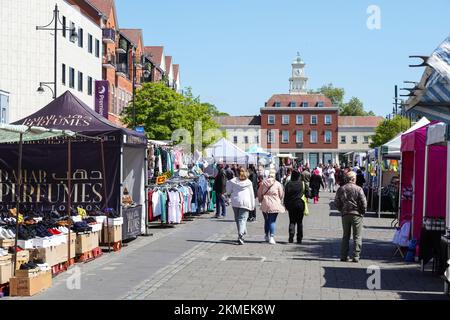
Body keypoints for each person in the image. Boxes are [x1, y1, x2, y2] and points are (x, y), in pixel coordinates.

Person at [334, 171, 367, 263]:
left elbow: (336, 202)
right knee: (357, 236)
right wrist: (362, 211)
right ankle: (356, 256)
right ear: (353, 179)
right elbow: (363, 202)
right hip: (356, 214)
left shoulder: (342, 189)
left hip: (345, 214)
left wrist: (341, 209)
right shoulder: (359, 189)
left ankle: (343, 256)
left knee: (345, 236)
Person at [226, 167, 256, 245]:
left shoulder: (232, 181)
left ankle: (242, 232)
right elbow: (251, 194)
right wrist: (253, 205)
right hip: (245, 202)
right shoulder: (249, 182)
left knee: (238, 219)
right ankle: (241, 234)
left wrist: (230, 192)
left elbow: (228, 191)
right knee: (242, 219)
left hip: (235, 201)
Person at [257, 169, 285, 245]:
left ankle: (266, 235)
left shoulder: (263, 183)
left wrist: (260, 201)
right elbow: (281, 194)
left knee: (266, 220)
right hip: (275, 203)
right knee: (272, 221)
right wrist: (279, 199)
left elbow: (259, 193)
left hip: (265, 203)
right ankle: (272, 237)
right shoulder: (278, 184)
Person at [284, 170, 310, 244]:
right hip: (300, 204)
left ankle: (291, 236)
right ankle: (299, 238)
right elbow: (308, 194)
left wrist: (285, 205)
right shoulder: (303, 183)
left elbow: (286, 196)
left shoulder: (288, 184)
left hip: (291, 205)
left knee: (292, 221)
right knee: (299, 222)